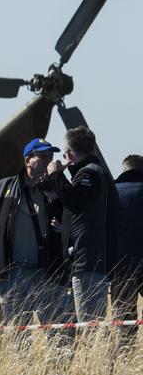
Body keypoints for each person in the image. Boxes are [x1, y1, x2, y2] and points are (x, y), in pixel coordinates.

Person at [38, 126, 119, 323]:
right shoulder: (97, 174)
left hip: (87, 262)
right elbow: (79, 209)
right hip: (93, 260)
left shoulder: (88, 174)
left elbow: (77, 202)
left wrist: (57, 175)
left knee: (88, 325)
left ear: (69, 153)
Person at [0, 139, 68, 323]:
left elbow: (76, 220)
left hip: (48, 271)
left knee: (57, 331)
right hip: (13, 272)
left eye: (51, 157)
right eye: (42, 156)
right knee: (18, 333)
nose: (48, 161)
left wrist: (64, 224)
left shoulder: (60, 188)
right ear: (27, 161)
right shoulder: (4, 187)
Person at [112, 154, 143, 328]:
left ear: (124, 170)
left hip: (121, 265)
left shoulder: (112, 193)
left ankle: (125, 353)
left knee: (124, 318)